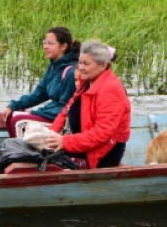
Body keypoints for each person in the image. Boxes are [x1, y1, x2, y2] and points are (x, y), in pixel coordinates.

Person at [42, 40, 130, 169]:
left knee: (43, 163)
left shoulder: (111, 89)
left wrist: (66, 142)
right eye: (80, 62)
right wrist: (50, 134)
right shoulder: (86, 82)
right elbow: (66, 111)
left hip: (102, 153)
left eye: (86, 64)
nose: (81, 67)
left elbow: (103, 132)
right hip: (82, 144)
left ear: (103, 65)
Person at [0, 26, 80, 137]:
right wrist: (13, 105)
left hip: (62, 121)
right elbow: (39, 93)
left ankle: (23, 148)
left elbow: (65, 109)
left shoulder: (71, 72)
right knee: (11, 115)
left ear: (63, 46)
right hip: (50, 112)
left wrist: (36, 112)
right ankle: (16, 147)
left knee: (18, 120)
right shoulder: (53, 67)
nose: (45, 47)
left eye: (50, 43)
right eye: (45, 43)